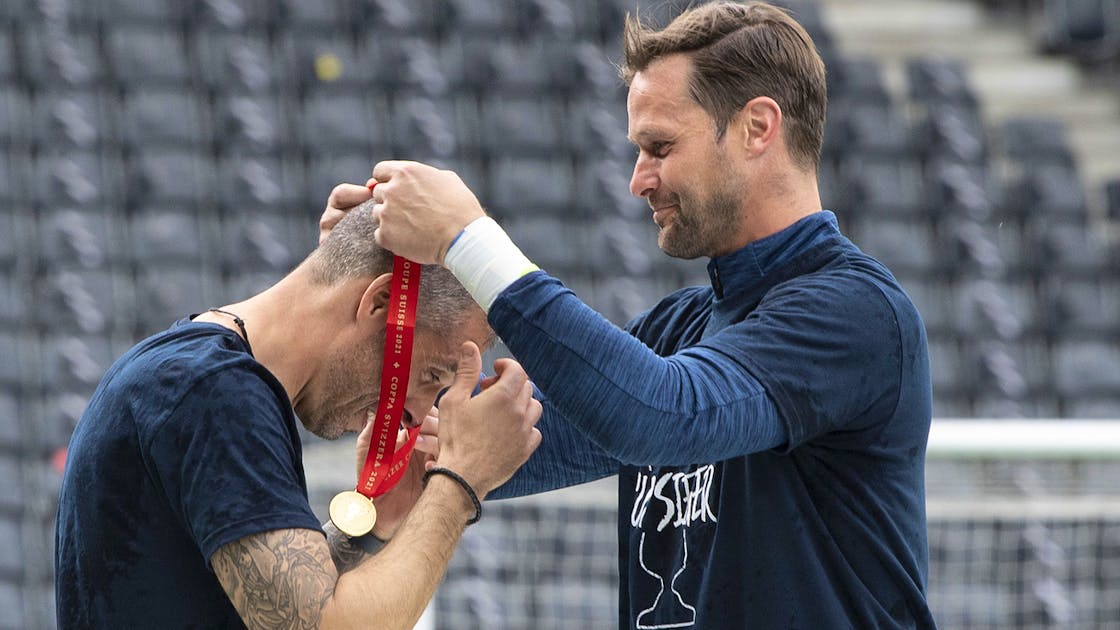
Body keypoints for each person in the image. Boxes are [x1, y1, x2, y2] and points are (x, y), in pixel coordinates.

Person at [324, 2, 936, 627]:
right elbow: (494, 437)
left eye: (660, 146)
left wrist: (467, 237)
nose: (638, 180)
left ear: (757, 128)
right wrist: (384, 274)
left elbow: (655, 414)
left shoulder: (856, 313)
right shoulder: (680, 329)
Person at [54, 205, 543, 629]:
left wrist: (376, 525)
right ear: (379, 303)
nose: (416, 413)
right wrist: (461, 481)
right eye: (431, 374)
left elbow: (273, 608)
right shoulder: (215, 393)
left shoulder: (194, 373)